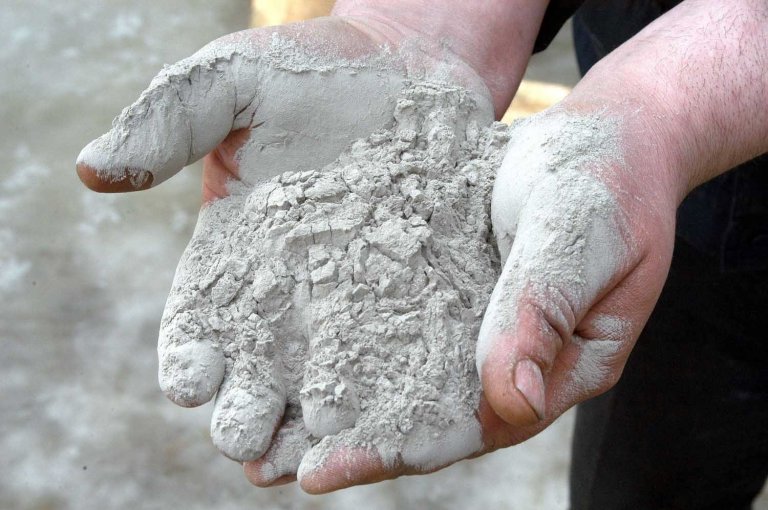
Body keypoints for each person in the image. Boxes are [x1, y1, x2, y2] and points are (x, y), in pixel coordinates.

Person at [76, 0, 768, 506]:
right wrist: (416, 23)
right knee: (648, 483)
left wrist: (670, 103)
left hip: (673, 139)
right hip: (678, 233)